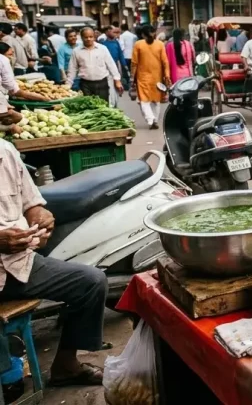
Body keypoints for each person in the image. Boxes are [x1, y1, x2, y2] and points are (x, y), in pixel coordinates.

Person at [0, 140, 108, 389]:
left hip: (20, 264)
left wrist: (40, 219)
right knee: (10, 381)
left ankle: (66, 366)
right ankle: (8, 378)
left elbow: (32, 204)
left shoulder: (6, 152)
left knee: (91, 282)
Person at [67, 27, 122, 102]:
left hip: (102, 83)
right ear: (81, 37)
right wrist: (68, 85)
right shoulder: (76, 51)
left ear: (94, 37)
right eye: (86, 37)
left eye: (91, 37)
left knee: (103, 106)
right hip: (85, 84)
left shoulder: (102, 49)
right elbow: (72, 69)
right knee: (88, 107)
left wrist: (117, 80)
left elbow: (111, 65)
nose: (89, 39)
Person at [131, 26, 170, 129]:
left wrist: (132, 77)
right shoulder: (160, 44)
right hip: (157, 76)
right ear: (154, 33)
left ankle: (151, 119)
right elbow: (165, 62)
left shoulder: (138, 44)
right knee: (156, 101)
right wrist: (167, 76)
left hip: (142, 77)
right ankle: (155, 120)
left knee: (144, 101)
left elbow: (134, 63)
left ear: (143, 35)